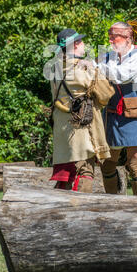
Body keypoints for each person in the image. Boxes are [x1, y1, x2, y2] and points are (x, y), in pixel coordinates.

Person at [49, 28, 114, 192]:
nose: (84, 44)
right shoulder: (84, 68)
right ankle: (78, 213)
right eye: (81, 41)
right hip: (81, 128)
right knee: (85, 170)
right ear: (75, 45)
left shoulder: (54, 67)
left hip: (62, 128)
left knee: (67, 172)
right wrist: (95, 69)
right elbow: (106, 94)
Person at [98, 21, 137, 195]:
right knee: (107, 162)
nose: (111, 40)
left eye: (115, 37)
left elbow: (122, 76)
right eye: (110, 36)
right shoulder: (107, 56)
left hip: (134, 113)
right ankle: (112, 200)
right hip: (112, 114)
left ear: (128, 38)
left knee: (135, 161)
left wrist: (98, 67)